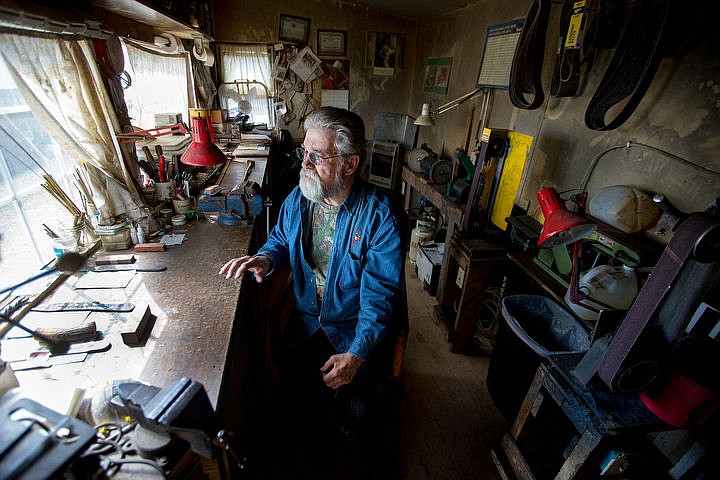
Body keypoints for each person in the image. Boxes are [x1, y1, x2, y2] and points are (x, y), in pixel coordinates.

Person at [219, 106, 404, 478]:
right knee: (293, 412)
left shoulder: (381, 215)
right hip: (307, 325)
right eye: (305, 153)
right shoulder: (302, 196)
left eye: (317, 157)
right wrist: (265, 260)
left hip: (354, 333)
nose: (305, 164)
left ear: (351, 164)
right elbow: (280, 240)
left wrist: (355, 355)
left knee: (365, 425)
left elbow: (379, 300)